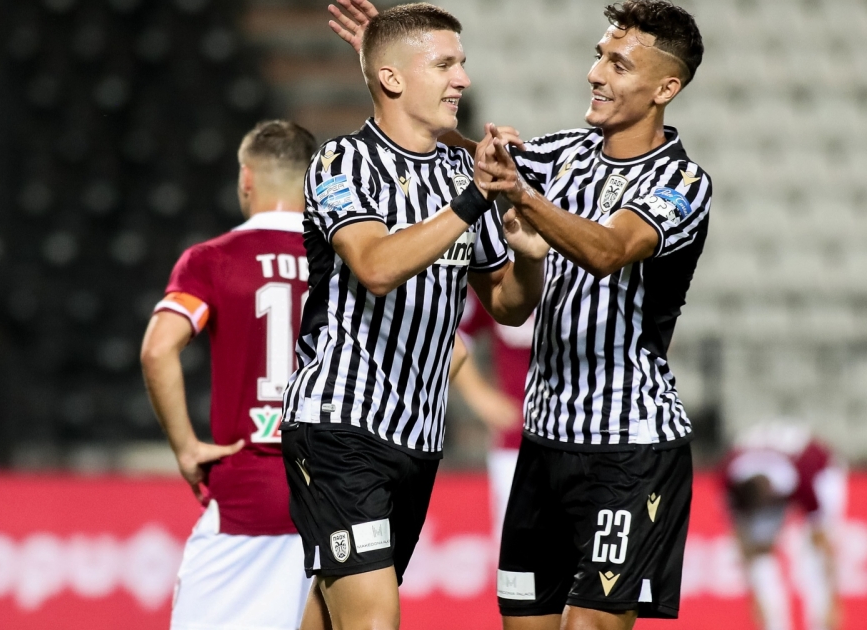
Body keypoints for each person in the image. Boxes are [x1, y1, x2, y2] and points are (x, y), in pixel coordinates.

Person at [329, 1, 711, 627]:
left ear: (665, 88)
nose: (596, 74)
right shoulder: (564, 154)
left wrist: (522, 196)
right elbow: (467, 154)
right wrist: (391, 69)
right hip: (542, 445)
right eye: (599, 56)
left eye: (618, 65)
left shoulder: (682, 183)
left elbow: (609, 250)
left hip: (629, 449)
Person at [279, 5, 550, 630]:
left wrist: (530, 259)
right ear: (393, 78)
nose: (463, 79)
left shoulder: (459, 173)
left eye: (462, 63)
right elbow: (375, 266)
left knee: (334, 610)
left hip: (419, 438)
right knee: (374, 619)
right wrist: (475, 198)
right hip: (340, 423)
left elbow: (506, 303)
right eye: (445, 64)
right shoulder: (342, 162)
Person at [139, 120, 318, 630]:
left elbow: (157, 350)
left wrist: (185, 448)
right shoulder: (351, 264)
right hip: (333, 498)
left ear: (246, 178)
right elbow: (451, 353)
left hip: (246, 496)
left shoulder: (212, 260)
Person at [722, 423, 846, 630]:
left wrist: (833, 600)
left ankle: (821, 624)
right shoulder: (729, 478)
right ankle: (773, 625)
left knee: (813, 556)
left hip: (820, 467)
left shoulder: (804, 477)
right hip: (775, 468)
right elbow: (743, 540)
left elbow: (823, 543)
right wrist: (755, 597)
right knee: (760, 554)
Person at [453, 290, 534, 538]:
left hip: (583, 437)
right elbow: (451, 334)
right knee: (518, 548)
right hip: (515, 444)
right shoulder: (503, 277)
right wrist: (479, 395)